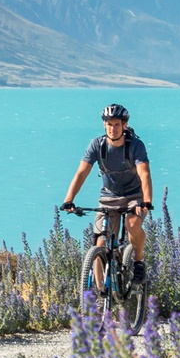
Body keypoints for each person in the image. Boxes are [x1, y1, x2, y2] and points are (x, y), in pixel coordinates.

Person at [61, 102, 154, 290]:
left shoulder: (135, 146)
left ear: (124, 125)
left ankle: (138, 262)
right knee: (100, 242)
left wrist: (146, 201)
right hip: (108, 197)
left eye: (117, 124)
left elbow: (144, 173)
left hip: (134, 196)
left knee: (132, 224)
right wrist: (68, 200)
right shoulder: (97, 145)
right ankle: (100, 292)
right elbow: (81, 173)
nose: (113, 128)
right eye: (109, 124)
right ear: (104, 125)